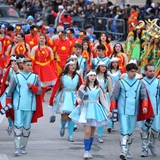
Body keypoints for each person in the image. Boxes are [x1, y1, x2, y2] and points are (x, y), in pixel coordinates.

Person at [110, 63, 154, 160]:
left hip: (134, 111)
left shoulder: (140, 83)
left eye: (135, 71)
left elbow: (144, 96)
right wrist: (113, 109)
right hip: (123, 111)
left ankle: (127, 150)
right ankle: (123, 151)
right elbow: (114, 96)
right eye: (132, 71)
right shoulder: (121, 82)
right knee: (124, 131)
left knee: (130, 132)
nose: (134, 73)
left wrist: (145, 106)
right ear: (127, 72)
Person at [69, 70, 112, 159]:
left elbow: (103, 100)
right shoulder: (83, 86)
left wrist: (108, 110)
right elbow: (77, 95)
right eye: (91, 75)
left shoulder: (98, 88)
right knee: (87, 132)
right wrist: (79, 101)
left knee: (92, 133)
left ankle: (88, 150)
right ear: (87, 77)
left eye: (94, 75)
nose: (92, 77)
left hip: (95, 110)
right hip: (86, 109)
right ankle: (86, 151)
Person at [5, 58, 43, 155]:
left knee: (26, 127)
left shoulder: (35, 77)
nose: (30, 67)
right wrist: (8, 103)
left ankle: (23, 146)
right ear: (23, 65)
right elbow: (10, 92)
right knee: (17, 125)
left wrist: (32, 87)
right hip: (18, 105)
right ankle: (17, 147)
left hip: (30, 106)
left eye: (31, 65)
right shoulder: (17, 77)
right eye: (28, 65)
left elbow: (39, 91)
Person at [49, 60, 82, 142]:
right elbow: (57, 87)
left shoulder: (77, 76)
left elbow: (81, 87)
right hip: (64, 96)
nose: (73, 67)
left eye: (74, 65)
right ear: (67, 67)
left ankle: (70, 135)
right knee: (64, 117)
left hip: (74, 96)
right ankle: (63, 126)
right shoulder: (62, 76)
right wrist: (54, 97)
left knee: (72, 117)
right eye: (71, 65)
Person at [139, 64, 160, 157]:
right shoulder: (141, 82)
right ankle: (144, 149)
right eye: (150, 71)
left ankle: (152, 145)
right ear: (145, 71)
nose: (152, 73)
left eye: (153, 71)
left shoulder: (158, 82)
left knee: (156, 130)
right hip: (145, 110)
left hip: (156, 110)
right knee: (144, 129)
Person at [30, 34, 57, 102]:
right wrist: (31, 68)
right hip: (37, 66)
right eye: (40, 38)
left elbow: (52, 60)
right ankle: (37, 96)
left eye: (43, 38)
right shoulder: (34, 48)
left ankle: (42, 97)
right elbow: (32, 60)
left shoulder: (49, 49)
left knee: (44, 84)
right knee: (38, 83)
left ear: (45, 40)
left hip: (46, 67)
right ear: (38, 40)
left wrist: (54, 69)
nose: (41, 39)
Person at [0, 55, 19, 135]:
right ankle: (11, 124)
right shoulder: (9, 70)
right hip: (9, 91)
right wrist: (9, 83)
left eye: (15, 61)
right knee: (8, 109)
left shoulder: (22, 70)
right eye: (12, 61)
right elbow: (5, 81)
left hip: (19, 92)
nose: (13, 62)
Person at [96, 61, 112, 143]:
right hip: (94, 98)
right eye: (102, 66)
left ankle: (99, 135)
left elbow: (110, 90)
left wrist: (112, 102)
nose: (103, 68)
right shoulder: (93, 76)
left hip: (104, 98)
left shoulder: (108, 78)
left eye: (105, 66)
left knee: (102, 116)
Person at [107, 57, 121, 132]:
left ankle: (112, 124)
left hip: (117, 91)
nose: (115, 64)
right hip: (109, 91)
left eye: (116, 62)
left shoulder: (119, 72)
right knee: (109, 107)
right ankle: (109, 124)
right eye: (113, 62)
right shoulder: (108, 72)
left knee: (114, 108)